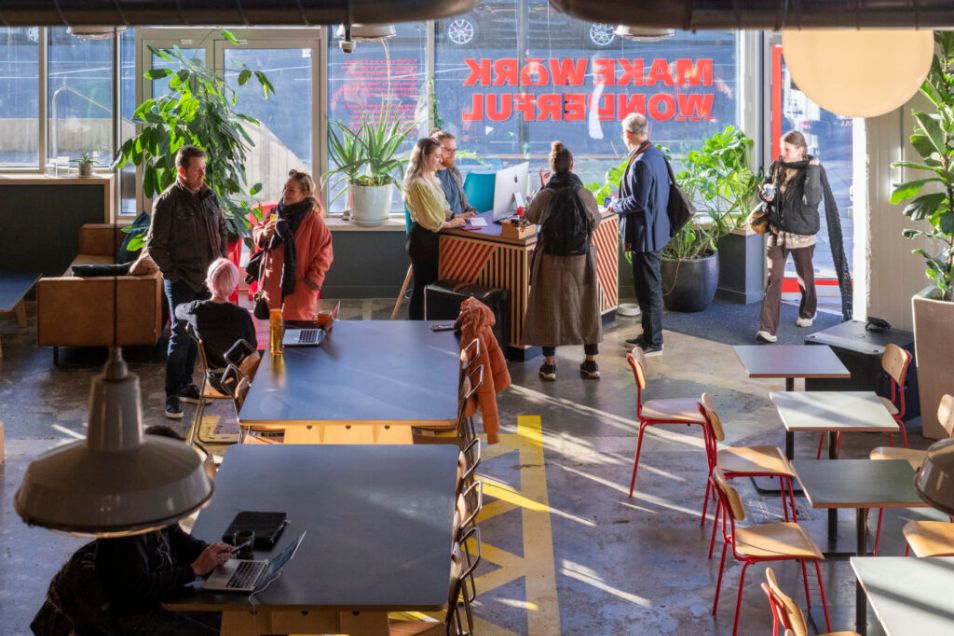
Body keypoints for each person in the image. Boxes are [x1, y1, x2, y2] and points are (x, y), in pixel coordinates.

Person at [94, 425, 233, 635]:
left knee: (235, 617)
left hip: (161, 595)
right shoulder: (127, 520)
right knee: (227, 627)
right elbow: (136, 589)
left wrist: (210, 553)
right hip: (133, 615)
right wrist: (194, 570)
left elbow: (177, 539)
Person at [146, 145, 228, 420]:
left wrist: (220, 262)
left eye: (204, 168)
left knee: (196, 334)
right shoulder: (167, 202)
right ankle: (172, 394)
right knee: (180, 336)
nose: (203, 174)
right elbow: (155, 246)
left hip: (207, 281)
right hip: (182, 281)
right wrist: (174, 274)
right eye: (197, 170)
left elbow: (221, 227)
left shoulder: (209, 196)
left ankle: (186, 385)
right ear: (182, 171)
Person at [524, 141, 602, 381]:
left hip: (550, 258)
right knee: (586, 305)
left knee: (549, 307)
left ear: (552, 167)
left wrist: (540, 189)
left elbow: (530, 216)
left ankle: (549, 366)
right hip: (580, 259)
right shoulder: (583, 193)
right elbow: (595, 222)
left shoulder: (546, 194)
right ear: (571, 165)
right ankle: (591, 363)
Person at [608, 112, 671, 356]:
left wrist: (615, 205)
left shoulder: (642, 161)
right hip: (655, 230)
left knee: (648, 289)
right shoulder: (656, 154)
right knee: (648, 287)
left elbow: (638, 201)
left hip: (646, 236)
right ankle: (648, 335)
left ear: (627, 134)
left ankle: (654, 342)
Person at [756, 130, 823, 343]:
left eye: (787, 149)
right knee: (773, 279)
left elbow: (812, 200)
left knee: (805, 276)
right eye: (781, 148)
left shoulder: (812, 169)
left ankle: (808, 311)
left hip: (801, 232)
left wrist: (813, 171)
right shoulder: (776, 166)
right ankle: (767, 329)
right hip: (777, 231)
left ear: (800, 150)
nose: (782, 153)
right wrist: (765, 194)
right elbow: (765, 188)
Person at [253, 170, 334, 322]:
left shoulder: (313, 221)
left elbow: (325, 254)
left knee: (297, 329)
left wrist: (311, 283)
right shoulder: (275, 213)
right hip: (272, 287)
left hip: (300, 288)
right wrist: (264, 233)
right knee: (275, 330)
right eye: (285, 188)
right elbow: (257, 231)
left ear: (304, 194)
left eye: (291, 190)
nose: (285, 193)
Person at [403, 138, 467, 320]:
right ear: (425, 157)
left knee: (431, 286)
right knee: (422, 286)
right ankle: (416, 327)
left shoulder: (431, 178)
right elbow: (431, 220)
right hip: (423, 239)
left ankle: (429, 326)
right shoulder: (417, 183)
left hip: (432, 237)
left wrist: (455, 216)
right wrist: (451, 224)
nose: (440, 160)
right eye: (436, 156)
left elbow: (440, 208)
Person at [174, 258, 257, 370]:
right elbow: (251, 348)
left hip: (212, 374)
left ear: (209, 281)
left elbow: (177, 311)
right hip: (236, 374)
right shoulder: (242, 315)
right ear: (233, 285)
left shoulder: (196, 310)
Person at [432, 130, 478, 218]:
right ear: (436, 150)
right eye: (448, 150)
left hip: (462, 222)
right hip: (447, 224)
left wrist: (475, 214)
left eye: (454, 150)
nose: (453, 154)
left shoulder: (454, 172)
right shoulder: (428, 177)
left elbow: (464, 204)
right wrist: (458, 217)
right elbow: (434, 214)